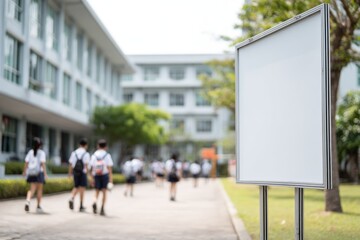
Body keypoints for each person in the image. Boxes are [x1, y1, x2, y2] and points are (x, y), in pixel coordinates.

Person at [23, 137, 48, 213]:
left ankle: (28, 200)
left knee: (32, 189)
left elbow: (26, 162)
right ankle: (38, 206)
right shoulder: (42, 153)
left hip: (31, 173)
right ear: (40, 145)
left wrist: (24, 172)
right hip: (39, 173)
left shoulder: (30, 152)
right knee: (39, 190)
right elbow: (42, 164)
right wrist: (45, 174)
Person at [89, 139, 113, 216]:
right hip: (104, 175)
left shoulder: (94, 155)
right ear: (106, 147)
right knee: (104, 192)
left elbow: (91, 167)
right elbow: (109, 168)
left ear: (98, 146)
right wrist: (111, 179)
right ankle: (102, 208)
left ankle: (94, 202)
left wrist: (91, 178)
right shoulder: (107, 155)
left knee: (96, 191)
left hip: (96, 175)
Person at [68, 138, 90, 212]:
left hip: (75, 172)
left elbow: (71, 164)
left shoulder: (74, 153)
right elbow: (86, 165)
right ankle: (81, 205)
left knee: (76, 186)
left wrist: (70, 173)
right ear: (86, 145)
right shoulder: (86, 154)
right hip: (83, 173)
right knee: (82, 189)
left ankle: (72, 197)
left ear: (79, 144)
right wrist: (88, 175)